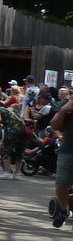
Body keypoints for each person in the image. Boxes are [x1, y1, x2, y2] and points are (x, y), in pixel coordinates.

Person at [49, 96, 73, 227]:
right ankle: (64, 211)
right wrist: (63, 110)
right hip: (68, 151)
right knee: (61, 184)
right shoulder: (66, 105)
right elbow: (54, 125)